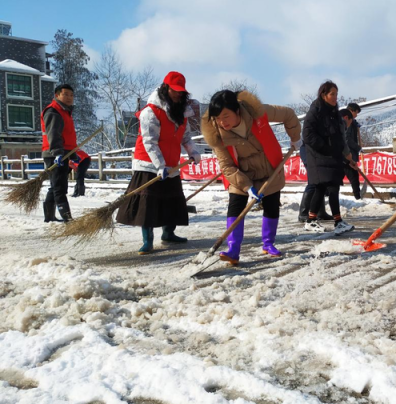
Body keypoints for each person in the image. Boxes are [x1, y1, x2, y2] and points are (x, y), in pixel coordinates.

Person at [202, 89, 302, 265]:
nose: (221, 122)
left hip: (269, 167)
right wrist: (247, 186)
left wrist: (295, 138)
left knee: (271, 204)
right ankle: (233, 249)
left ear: (237, 110)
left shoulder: (257, 112)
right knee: (235, 205)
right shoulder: (216, 135)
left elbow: (288, 114)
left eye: (225, 116)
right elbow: (226, 166)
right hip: (240, 173)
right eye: (217, 118)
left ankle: (268, 244)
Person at [115, 72, 200, 255]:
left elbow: (185, 137)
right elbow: (149, 142)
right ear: (165, 88)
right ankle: (148, 241)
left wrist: (193, 152)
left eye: (181, 92)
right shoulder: (150, 111)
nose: (178, 94)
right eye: (174, 90)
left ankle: (168, 234)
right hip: (148, 163)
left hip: (171, 164)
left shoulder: (182, 114)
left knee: (172, 200)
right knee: (148, 204)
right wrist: (160, 165)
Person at [302, 80, 357, 234]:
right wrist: (324, 146)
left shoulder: (335, 114)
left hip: (333, 156)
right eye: (332, 94)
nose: (335, 97)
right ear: (323, 94)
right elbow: (307, 134)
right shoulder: (315, 111)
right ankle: (321, 220)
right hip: (318, 156)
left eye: (336, 94)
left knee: (328, 187)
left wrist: (347, 156)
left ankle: (323, 221)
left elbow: (341, 137)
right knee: (325, 187)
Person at [41, 84, 80, 223]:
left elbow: (68, 136)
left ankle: (49, 217)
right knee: (59, 187)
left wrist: (74, 154)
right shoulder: (53, 111)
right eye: (66, 94)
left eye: (71, 95)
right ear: (57, 95)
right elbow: (53, 134)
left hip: (66, 152)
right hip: (55, 154)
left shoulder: (66, 112)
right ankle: (68, 219)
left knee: (57, 184)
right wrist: (57, 153)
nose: (69, 97)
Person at [341, 108, 361, 199]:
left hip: (346, 157)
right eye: (356, 112)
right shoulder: (343, 126)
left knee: (352, 175)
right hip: (344, 156)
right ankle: (358, 196)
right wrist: (349, 160)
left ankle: (358, 196)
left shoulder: (351, 124)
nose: (356, 115)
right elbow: (345, 141)